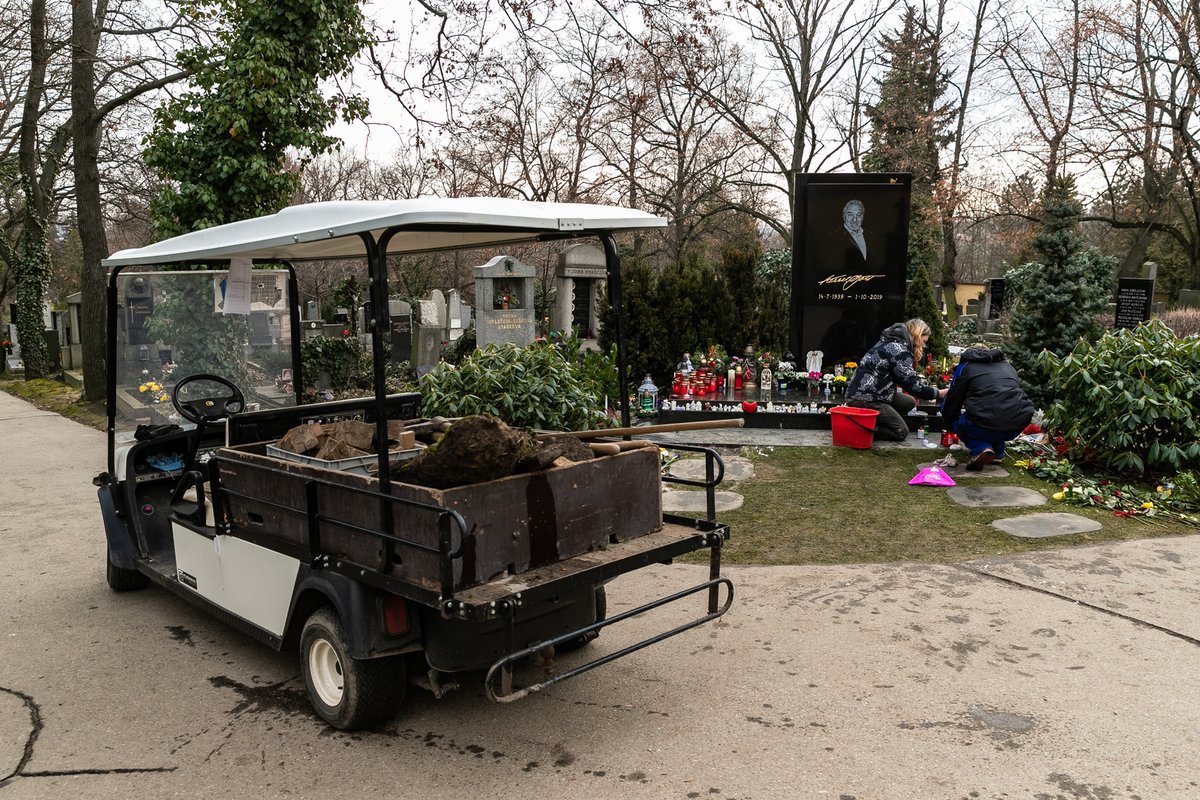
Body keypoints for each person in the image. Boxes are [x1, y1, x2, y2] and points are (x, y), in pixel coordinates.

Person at [844, 319, 947, 442]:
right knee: (901, 432)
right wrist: (938, 393)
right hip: (866, 399)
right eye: (923, 341)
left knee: (909, 402)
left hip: (873, 393)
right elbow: (910, 383)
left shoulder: (891, 342)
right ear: (917, 335)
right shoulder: (899, 350)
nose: (924, 346)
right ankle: (861, 428)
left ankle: (879, 419)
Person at [939, 345, 1035, 470]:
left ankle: (981, 448)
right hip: (1017, 422)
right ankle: (998, 453)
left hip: (985, 422)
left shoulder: (966, 367)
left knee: (962, 423)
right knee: (996, 417)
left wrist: (949, 422)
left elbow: (952, 399)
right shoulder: (1008, 367)